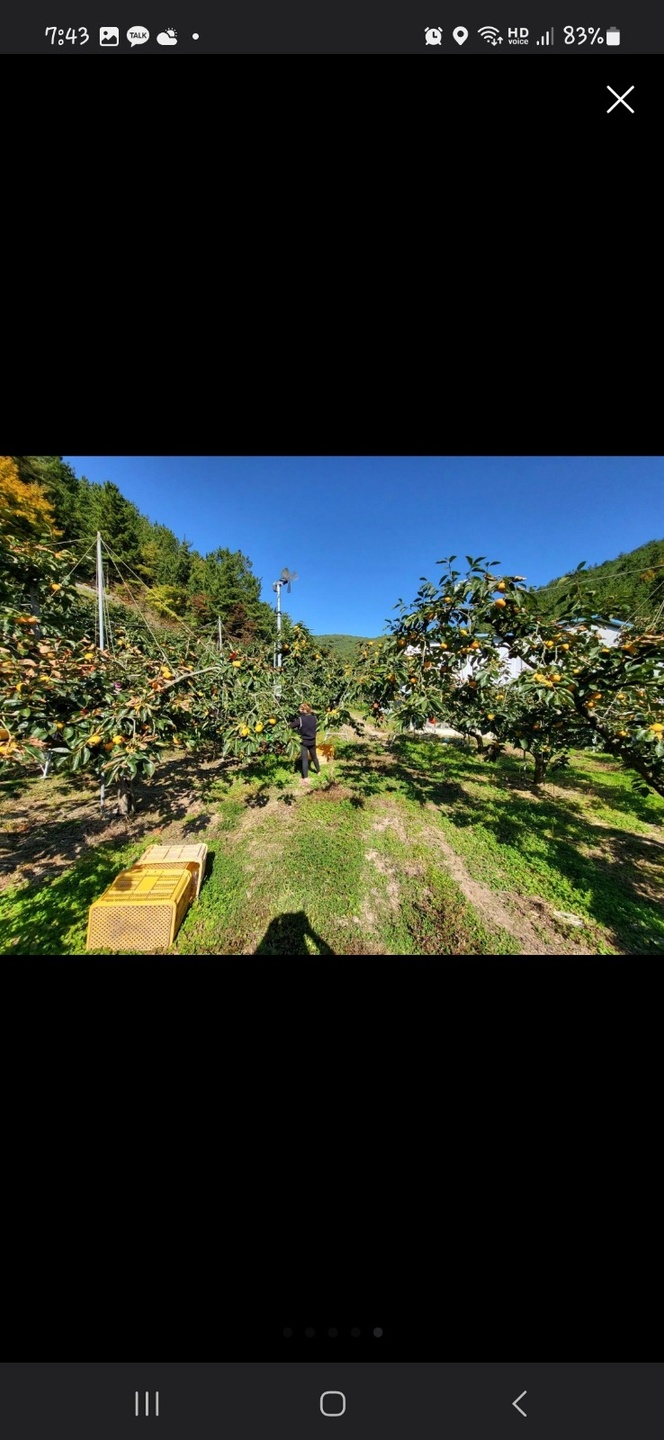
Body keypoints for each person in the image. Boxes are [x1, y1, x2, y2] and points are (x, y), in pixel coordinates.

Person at [292, 702, 320, 781]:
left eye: (301, 709)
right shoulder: (314, 718)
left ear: (304, 710)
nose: (299, 710)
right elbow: (317, 728)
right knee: (314, 756)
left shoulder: (300, 719)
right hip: (312, 740)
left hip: (304, 741)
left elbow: (291, 726)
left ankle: (306, 777)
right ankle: (319, 771)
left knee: (304, 759)